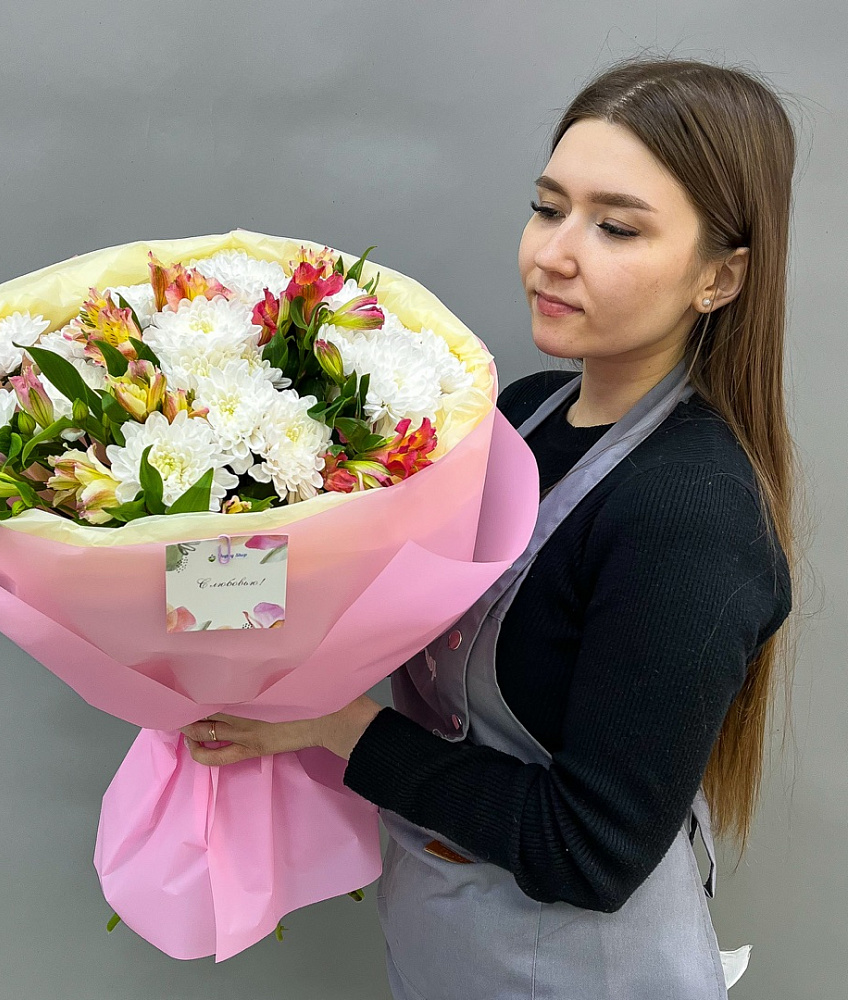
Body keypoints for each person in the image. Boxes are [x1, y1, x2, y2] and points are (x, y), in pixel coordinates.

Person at [181, 57, 797, 999]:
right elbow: (365, 572)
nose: (554, 254)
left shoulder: (691, 512)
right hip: (446, 931)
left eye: (616, 227)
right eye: (549, 209)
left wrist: (343, 728)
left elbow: (588, 850)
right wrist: (181, 590)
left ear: (720, 276)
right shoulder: (519, 417)